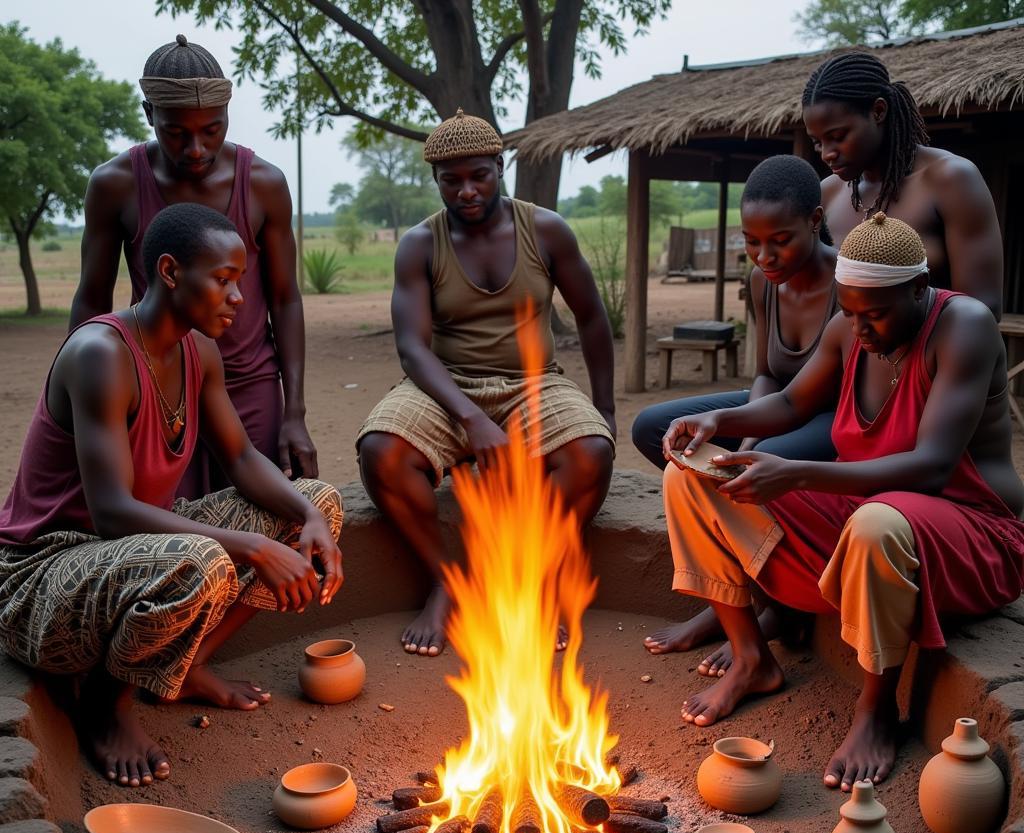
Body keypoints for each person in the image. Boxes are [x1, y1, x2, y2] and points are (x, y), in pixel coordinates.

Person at [659, 213, 1024, 791]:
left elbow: (932, 466)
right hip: (873, 524)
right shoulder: (850, 329)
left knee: (878, 523)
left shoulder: (965, 326)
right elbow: (789, 405)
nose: (859, 329)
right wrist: (717, 419)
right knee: (691, 478)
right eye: (849, 312)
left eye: (874, 314)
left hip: (971, 535)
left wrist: (798, 475)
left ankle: (877, 708)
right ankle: (751, 657)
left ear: (918, 290)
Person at [0, 204, 343, 788]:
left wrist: (308, 514)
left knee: (319, 501)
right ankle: (106, 710)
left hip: (127, 557)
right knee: (201, 560)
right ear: (169, 271)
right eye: (224, 280)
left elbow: (238, 457)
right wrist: (254, 548)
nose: (238, 298)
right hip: (41, 574)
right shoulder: (101, 354)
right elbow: (111, 511)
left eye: (241, 281)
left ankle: (189, 665)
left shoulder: (197, 350)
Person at [357, 109, 616, 657]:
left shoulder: (544, 230)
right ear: (436, 182)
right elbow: (412, 349)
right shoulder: (420, 245)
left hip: (535, 384)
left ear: (500, 167)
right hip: (445, 385)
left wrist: (607, 409)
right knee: (381, 450)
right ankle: (450, 582)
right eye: (451, 181)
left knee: (592, 451)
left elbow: (592, 318)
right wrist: (471, 419)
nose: (467, 190)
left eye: (479, 175)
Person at [70, 34, 316, 498]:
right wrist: (77, 404)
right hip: (156, 387)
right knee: (167, 528)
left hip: (248, 383)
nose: (197, 149)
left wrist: (294, 412)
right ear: (149, 116)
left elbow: (285, 299)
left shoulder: (262, 184)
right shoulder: (115, 185)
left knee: (259, 515)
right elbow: (92, 298)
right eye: (177, 133)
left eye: (212, 130)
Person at [633, 155, 838, 672]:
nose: (764, 255)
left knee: (755, 463)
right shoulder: (762, 281)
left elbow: (807, 400)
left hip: (831, 417)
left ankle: (759, 609)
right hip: (778, 401)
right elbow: (769, 372)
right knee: (654, 428)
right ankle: (741, 596)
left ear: (815, 221)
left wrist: (750, 436)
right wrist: (746, 429)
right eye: (751, 241)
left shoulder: (848, 284)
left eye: (780, 240)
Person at [802, 50, 1003, 318]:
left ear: (878, 111)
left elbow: (983, 310)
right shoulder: (827, 194)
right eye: (817, 142)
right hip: (842, 358)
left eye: (838, 136)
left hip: (933, 358)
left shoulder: (950, 180)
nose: (827, 152)